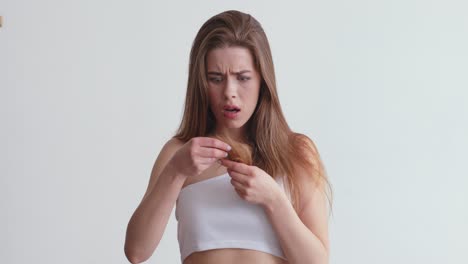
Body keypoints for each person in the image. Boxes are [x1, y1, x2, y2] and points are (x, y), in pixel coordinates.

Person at [124, 10, 333, 264]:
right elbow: (136, 251)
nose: (229, 93)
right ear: (201, 83)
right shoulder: (179, 153)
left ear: (262, 80)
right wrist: (176, 171)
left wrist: (274, 200)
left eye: (242, 78)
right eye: (216, 79)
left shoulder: (296, 151)